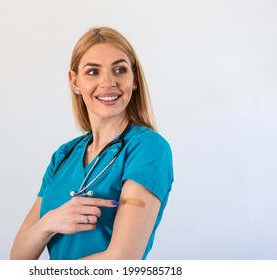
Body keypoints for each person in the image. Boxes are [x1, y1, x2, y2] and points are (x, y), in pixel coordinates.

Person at [10, 26, 173, 260]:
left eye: (119, 70)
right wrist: (49, 222)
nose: (108, 83)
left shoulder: (147, 148)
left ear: (134, 78)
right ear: (74, 81)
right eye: (93, 72)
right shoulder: (64, 155)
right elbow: (18, 257)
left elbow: (121, 260)